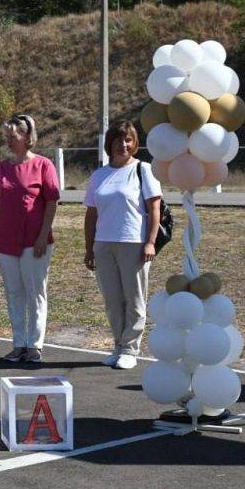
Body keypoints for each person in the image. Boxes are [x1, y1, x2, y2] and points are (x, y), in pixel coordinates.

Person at [83, 120, 162, 370]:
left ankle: (130, 349)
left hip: (133, 243)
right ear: (109, 144)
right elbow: (91, 214)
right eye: (118, 140)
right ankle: (118, 345)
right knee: (113, 299)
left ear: (135, 143)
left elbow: (154, 208)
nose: (123, 145)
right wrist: (89, 247)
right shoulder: (99, 175)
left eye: (128, 140)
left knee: (134, 298)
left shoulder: (143, 170)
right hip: (103, 244)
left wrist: (150, 242)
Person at [0, 114, 60, 364]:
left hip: (35, 241)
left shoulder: (43, 165)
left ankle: (34, 344)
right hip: (6, 241)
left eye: (13, 135)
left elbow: (52, 201)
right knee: (14, 292)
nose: (8, 140)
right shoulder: (2, 168)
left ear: (28, 137)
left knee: (35, 292)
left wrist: (42, 236)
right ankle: (18, 343)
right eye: (6, 136)